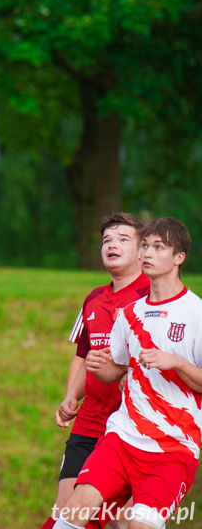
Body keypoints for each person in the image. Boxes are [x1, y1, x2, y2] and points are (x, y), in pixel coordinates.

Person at [55, 217, 202, 529]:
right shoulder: (126, 311)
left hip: (172, 445)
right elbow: (109, 365)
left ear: (178, 258)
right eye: (146, 245)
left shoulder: (194, 313)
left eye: (157, 247)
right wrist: (90, 377)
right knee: (71, 513)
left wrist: (175, 362)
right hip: (118, 434)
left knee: (133, 524)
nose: (147, 252)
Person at [42, 213, 149, 529]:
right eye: (106, 240)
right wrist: (71, 396)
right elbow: (82, 355)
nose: (112, 245)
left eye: (122, 239)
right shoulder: (94, 299)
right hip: (89, 421)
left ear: (143, 249)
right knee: (65, 511)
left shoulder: (151, 297)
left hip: (132, 426)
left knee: (119, 520)